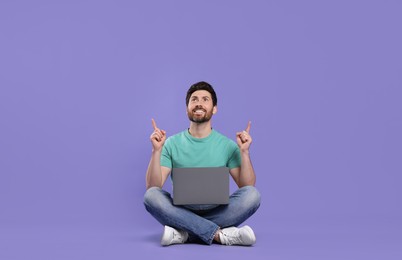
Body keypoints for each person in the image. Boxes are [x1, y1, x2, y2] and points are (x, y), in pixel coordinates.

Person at [143, 81, 261, 246]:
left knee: (253, 195)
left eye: (205, 99)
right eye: (194, 99)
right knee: (151, 196)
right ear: (187, 109)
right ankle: (218, 234)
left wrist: (245, 152)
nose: (199, 103)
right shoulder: (171, 143)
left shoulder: (227, 145)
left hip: (218, 212)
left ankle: (185, 233)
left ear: (214, 109)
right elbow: (153, 185)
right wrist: (156, 151)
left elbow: (247, 185)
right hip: (181, 211)